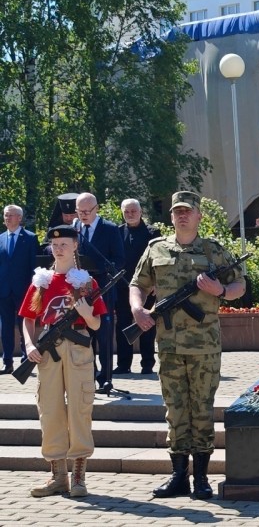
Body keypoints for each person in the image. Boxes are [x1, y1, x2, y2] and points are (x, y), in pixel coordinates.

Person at [129, 191, 245, 500]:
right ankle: (178, 476)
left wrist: (220, 289)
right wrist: (138, 310)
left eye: (188, 211)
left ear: (198, 216)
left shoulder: (213, 251)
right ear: (171, 217)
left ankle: (202, 479)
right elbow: (137, 285)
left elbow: (240, 286)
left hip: (204, 347)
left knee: (202, 411)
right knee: (175, 411)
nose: (182, 215)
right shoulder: (156, 249)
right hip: (168, 346)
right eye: (177, 211)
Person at [19, 225, 107, 498]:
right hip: (48, 352)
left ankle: (78, 477)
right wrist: (30, 344)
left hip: (78, 350)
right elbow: (28, 318)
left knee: (80, 410)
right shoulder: (41, 280)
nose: (59, 249)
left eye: (64, 244)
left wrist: (86, 312)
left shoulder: (85, 283)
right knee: (50, 411)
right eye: (55, 245)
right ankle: (58, 477)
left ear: (75, 246)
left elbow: (96, 325)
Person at [75, 192, 125, 387]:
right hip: (81, 290)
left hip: (103, 290)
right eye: (80, 211)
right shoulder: (75, 229)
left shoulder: (110, 229)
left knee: (104, 335)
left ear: (97, 208)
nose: (84, 215)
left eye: (87, 211)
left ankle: (105, 377)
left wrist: (103, 270)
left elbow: (120, 260)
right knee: (85, 335)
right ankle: (89, 375)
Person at [115, 199, 161, 375]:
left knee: (147, 323)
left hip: (146, 286)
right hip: (122, 286)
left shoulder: (152, 232)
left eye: (133, 211)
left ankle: (147, 364)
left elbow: (158, 258)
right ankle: (123, 364)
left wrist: (156, 281)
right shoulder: (118, 232)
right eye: (126, 212)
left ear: (141, 212)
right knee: (123, 324)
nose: (130, 214)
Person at [0, 205, 39, 374]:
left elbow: (34, 266)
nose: (7, 218)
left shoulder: (30, 238)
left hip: (24, 290)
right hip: (4, 291)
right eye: (5, 215)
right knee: (6, 327)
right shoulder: (0, 238)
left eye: (11, 215)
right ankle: (7, 362)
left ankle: (26, 360)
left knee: (25, 324)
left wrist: (34, 289)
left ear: (20, 218)